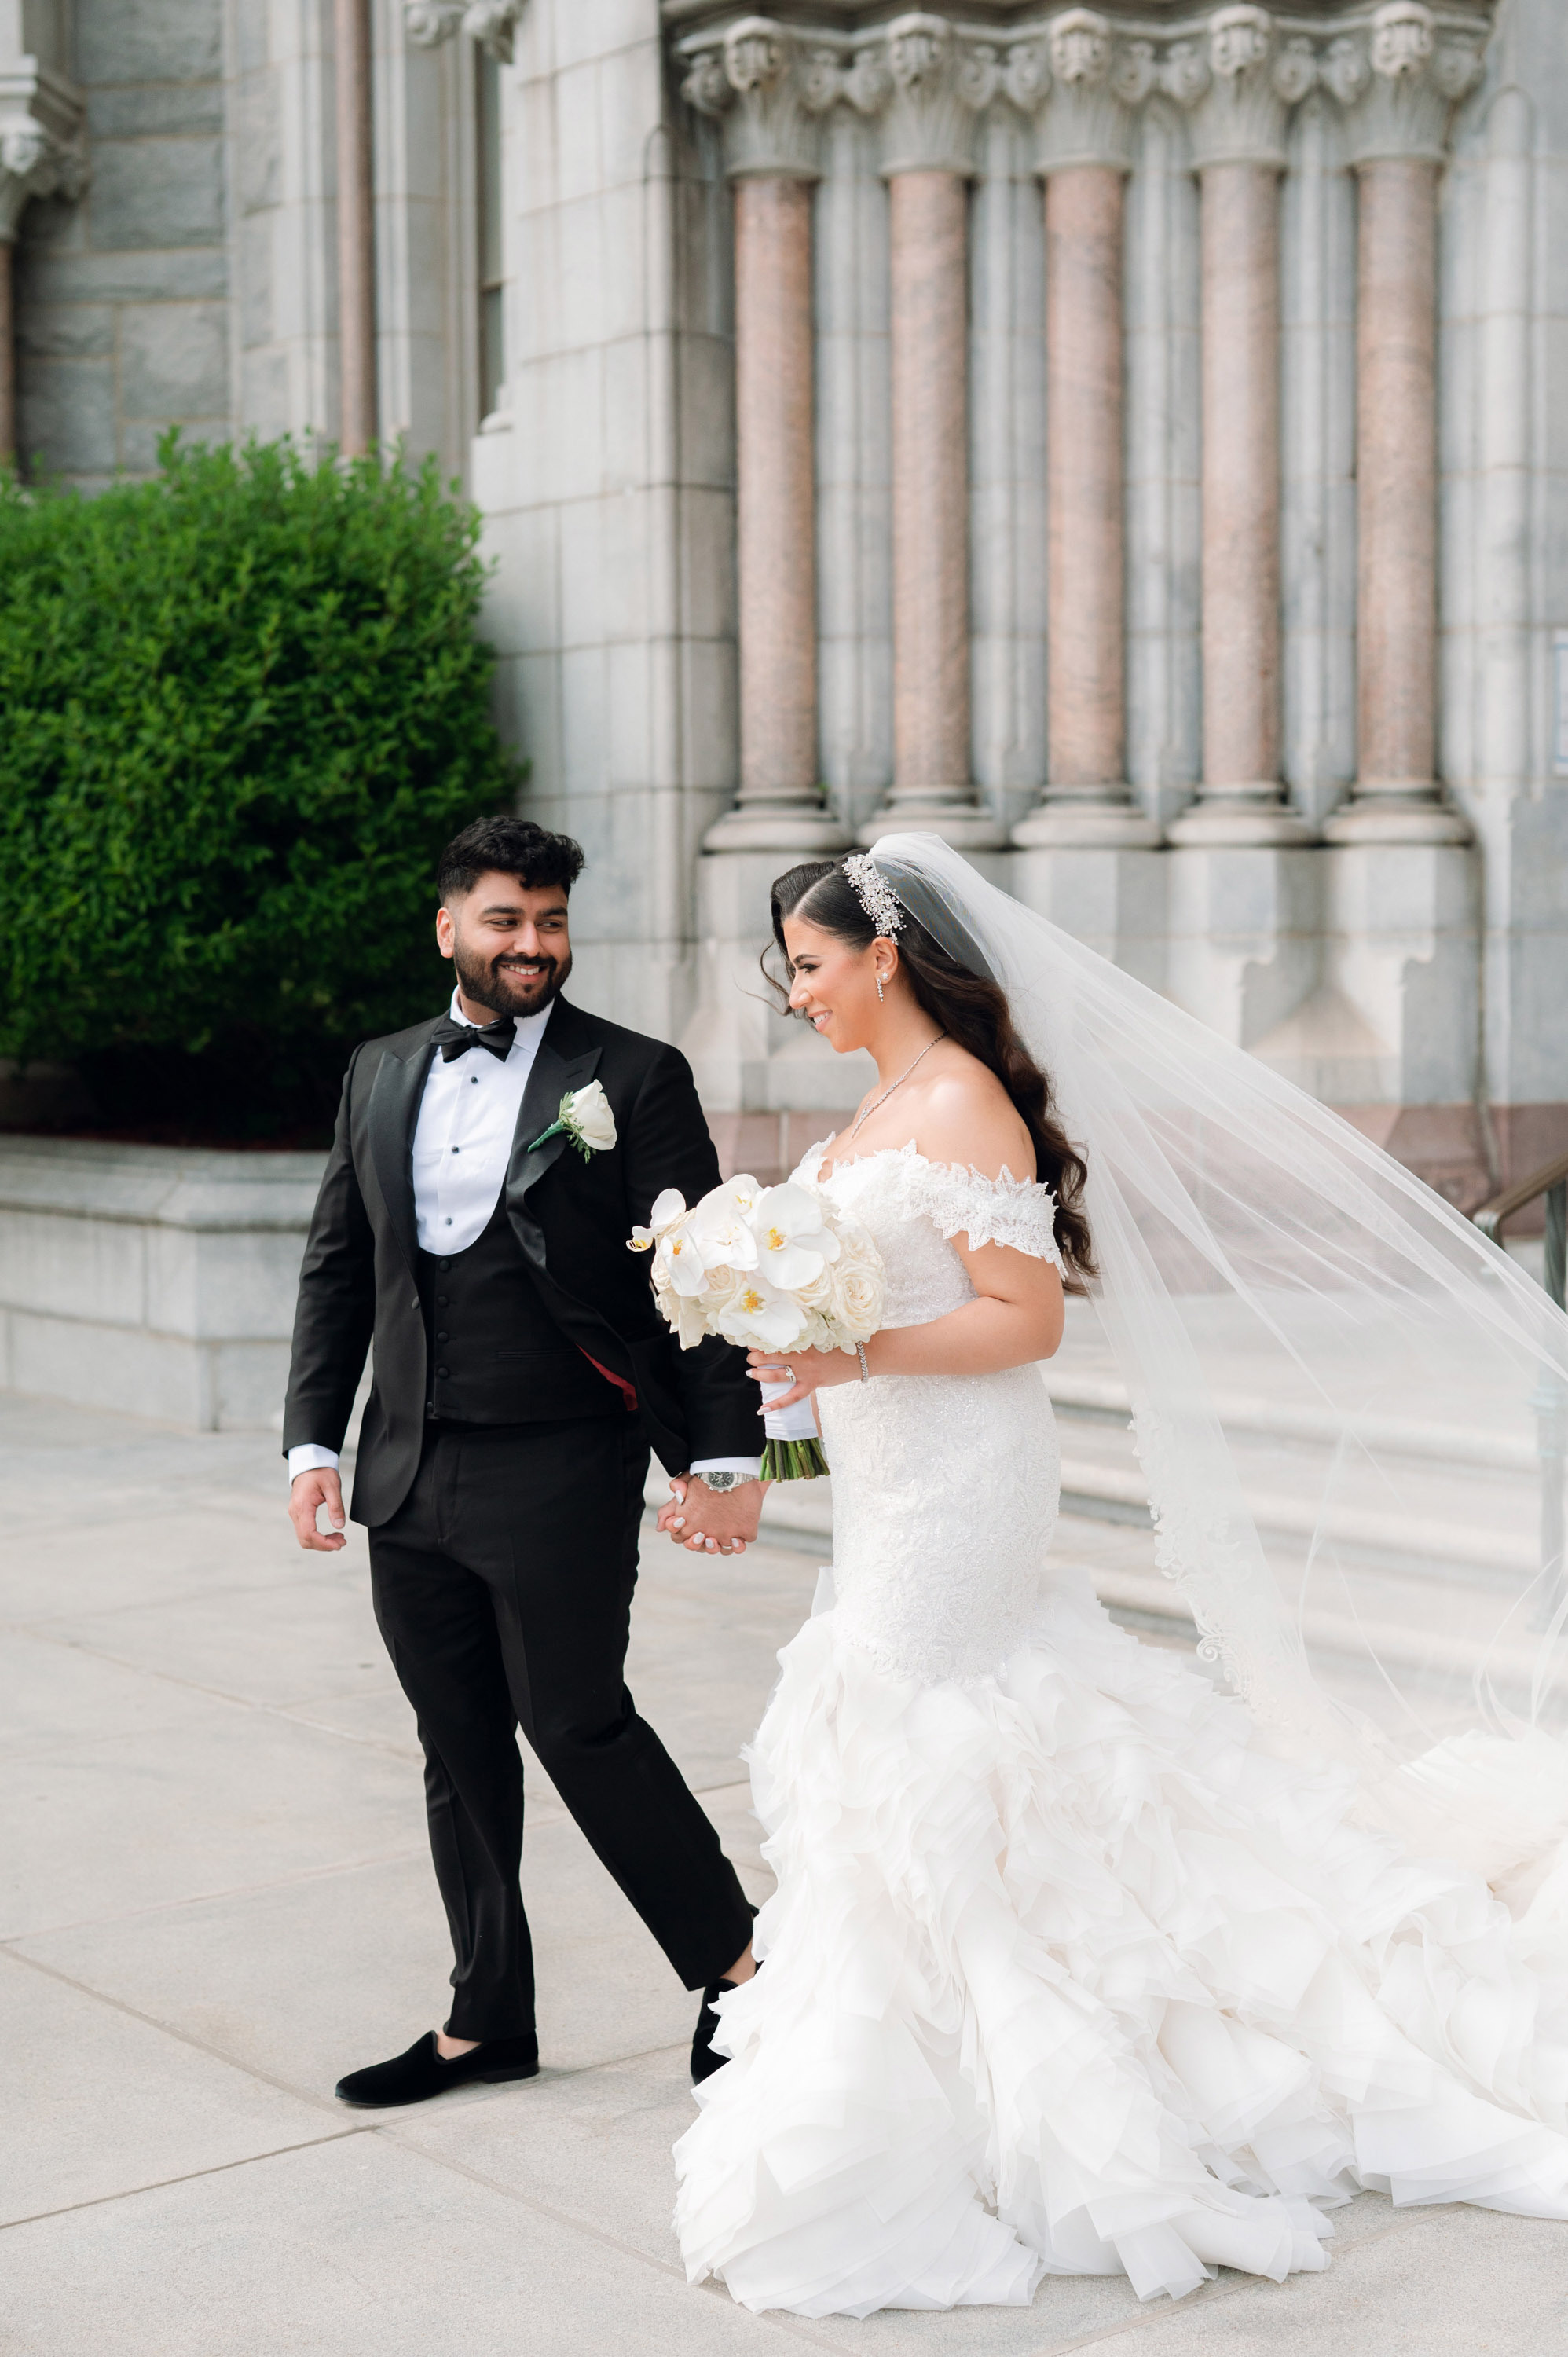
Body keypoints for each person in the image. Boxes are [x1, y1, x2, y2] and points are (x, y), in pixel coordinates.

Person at [672, 835, 1568, 2319]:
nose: (797, 994)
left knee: (924, 1733)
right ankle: (970, 2047)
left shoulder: (959, 1102)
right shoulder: (884, 1102)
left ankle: (1006, 2073)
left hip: (963, 1482)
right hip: (894, 1474)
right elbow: (859, 1306)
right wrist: (785, 1420)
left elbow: (1025, 1322)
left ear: (884, 954)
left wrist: (851, 1352)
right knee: (947, 1733)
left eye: (811, 965)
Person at [284, 815, 764, 2108]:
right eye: (505, 920)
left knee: (577, 1722)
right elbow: (341, 1265)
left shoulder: (635, 1074)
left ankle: (740, 1972)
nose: (533, 946)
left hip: (562, 1459)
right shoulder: (380, 1068)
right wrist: (312, 1442)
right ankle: (485, 2016)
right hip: (404, 1468)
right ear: (449, 927)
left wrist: (724, 1453)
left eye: (549, 921)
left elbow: (701, 1278)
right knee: (457, 1744)